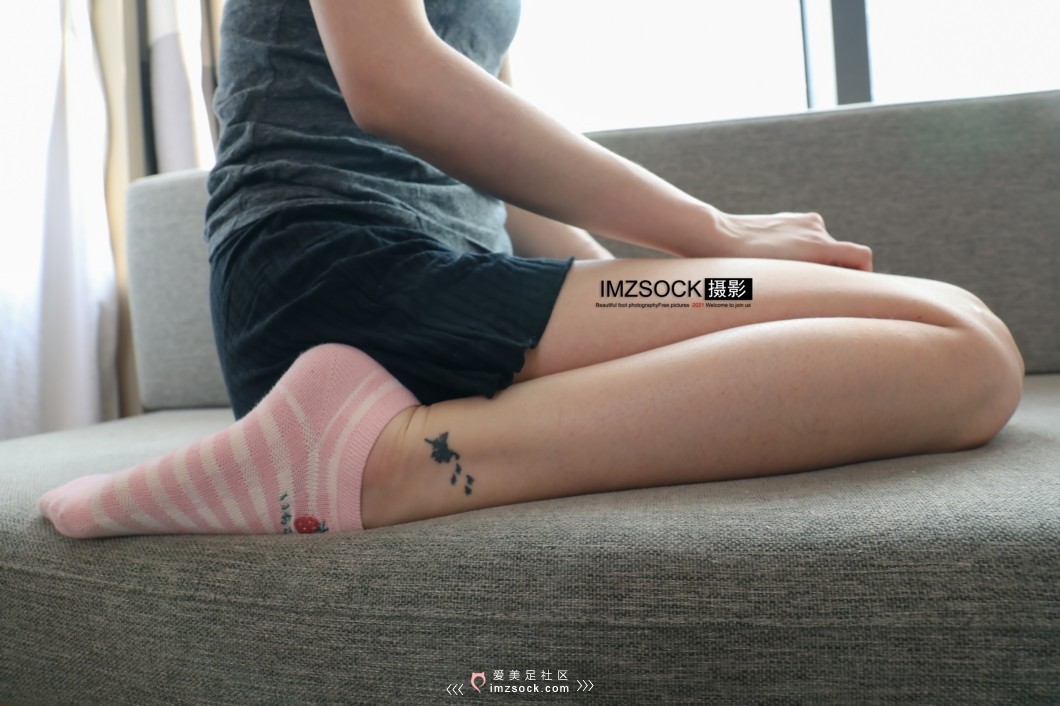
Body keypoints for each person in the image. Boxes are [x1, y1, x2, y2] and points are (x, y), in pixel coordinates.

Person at [39, 0, 1023, 538]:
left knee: (957, 331)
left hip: (457, 274)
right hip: (337, 268)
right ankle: (375, 466)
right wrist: (713, 231)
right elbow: (393, 85)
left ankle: (353, 433)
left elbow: (496, 165)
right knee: (960, 351)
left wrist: (625, 295)